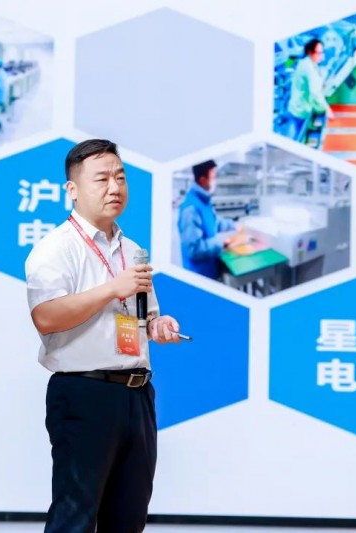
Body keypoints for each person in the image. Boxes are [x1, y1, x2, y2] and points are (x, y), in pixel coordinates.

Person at [25, 139, 182, 532]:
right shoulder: (55, 248)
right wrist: (112, 288)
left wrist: (158, 326)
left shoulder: (133, 249)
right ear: (72, 189)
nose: (115, 188)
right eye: (102, 179)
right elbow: (45, 316)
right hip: (85, 393)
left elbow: (144, 316)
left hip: (137, 394)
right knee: (75, 517)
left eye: (120, 177)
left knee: (128, 517)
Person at [177, 160, 243, 280]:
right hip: (199, 275)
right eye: (213, 177)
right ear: (203, 180)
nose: (215, 180)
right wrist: (221, 241)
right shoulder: (191, 209)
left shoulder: (204, 201)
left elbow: (215, 222)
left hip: (210, 268)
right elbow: (193, 249)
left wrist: (234, 225)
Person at [284, 38, 334, 141]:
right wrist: (327, 109)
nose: (322, 56)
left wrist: (292, 56)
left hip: (295, 107)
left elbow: (287, 64)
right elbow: (315, 93)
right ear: (310, 52)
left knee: (294, 134)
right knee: (297, 138)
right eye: (318, 53)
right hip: (301, 111)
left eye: (322, 52)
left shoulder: (305, 62)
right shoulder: (309, 69)